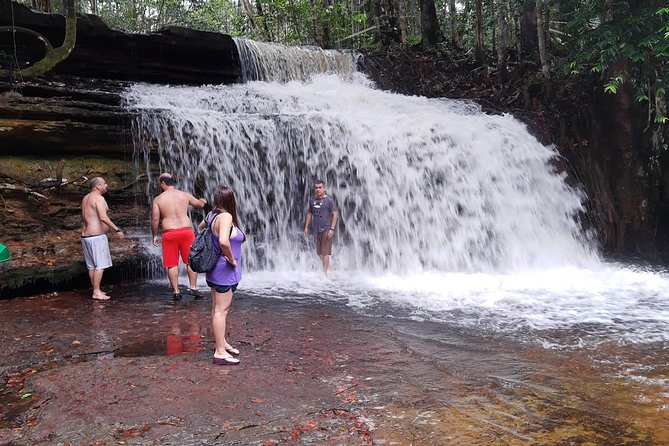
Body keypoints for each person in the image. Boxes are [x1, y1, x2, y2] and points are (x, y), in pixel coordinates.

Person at [201, 186, 245, 365]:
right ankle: (219, 352)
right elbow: (224, 241)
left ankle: (221, 342)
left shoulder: (212, 215)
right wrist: (231, 259)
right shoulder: (226, 217)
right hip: (224, 270)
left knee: (216, 308)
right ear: (231, 200)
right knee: (222, 310)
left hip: (215, 270)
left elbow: (201, 227)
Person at [151, 173, 207, 300]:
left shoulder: (158, 199)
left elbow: (155, 219)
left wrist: (154, 235)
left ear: (163, 184)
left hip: (170, 233)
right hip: (186, 232)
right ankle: (193, 288)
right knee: (190, 261)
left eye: (159, 183)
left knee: (172, 264)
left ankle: (176, 292)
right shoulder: (184, 195)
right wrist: (203, 201)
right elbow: (199, 205)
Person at [80, 177, 124, 300]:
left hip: (86, 236)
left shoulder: (86, 198)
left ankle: (96, 290)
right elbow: (103, 217)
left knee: (92, 266)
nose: (106, 185)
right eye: (104, 183)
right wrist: (117, 230)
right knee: (100, 265)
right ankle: (96, 291)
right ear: (98, 186)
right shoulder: (99, 199)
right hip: (96, 237)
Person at [303, 179, 338, 274]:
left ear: (324, 189)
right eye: (316, 188)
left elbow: (335, 214)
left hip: (326, 228)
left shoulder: (329, 201)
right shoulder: (312, 200)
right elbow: (310, 213)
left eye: (320, 188)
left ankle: (325, 273)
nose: (318, 189)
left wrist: (332, 229)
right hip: (316, 229)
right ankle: (329, 268)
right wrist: (306, 227)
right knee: (319, 252)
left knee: (325, 252)